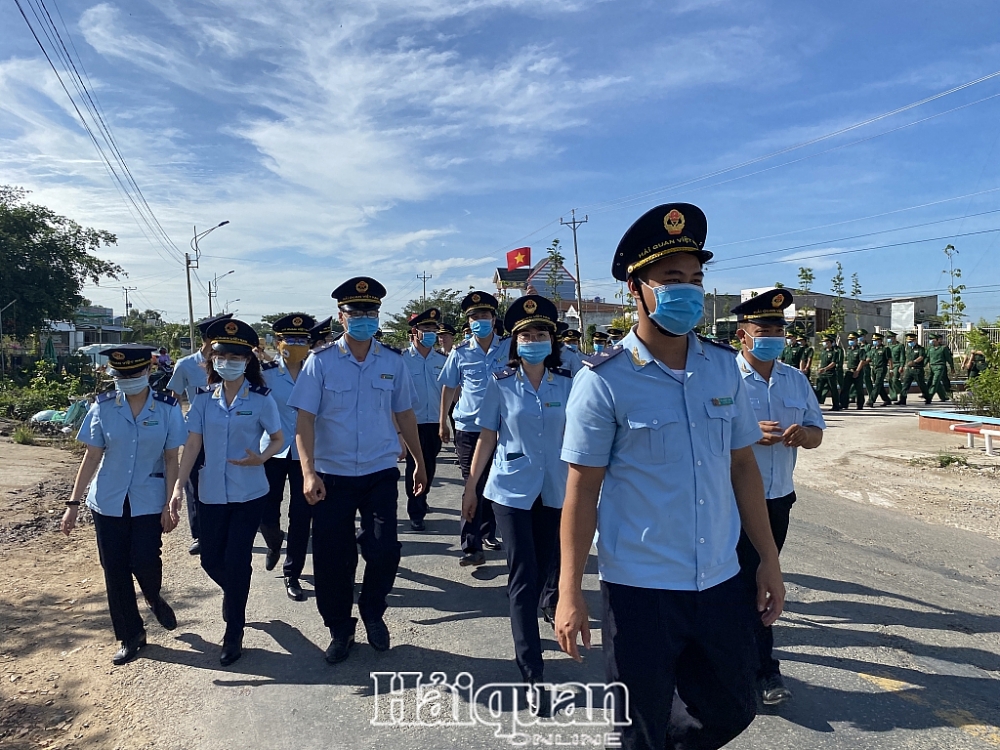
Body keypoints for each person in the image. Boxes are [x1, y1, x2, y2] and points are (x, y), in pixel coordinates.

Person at [557, 203, 783, 750]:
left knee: (732, 706)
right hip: (642, 588)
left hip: (718, 579)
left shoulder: (721, 366)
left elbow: (742, 465)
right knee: (639, 727)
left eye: (696, 280)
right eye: (672, 280)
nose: (688, 292)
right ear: (636, 288)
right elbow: (582, 489)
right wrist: (569, 588)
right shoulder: (604, 381)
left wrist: (769, 559)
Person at [289, 277, 427, 664]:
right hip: (331, 476)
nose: (364, 318)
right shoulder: (321, 363)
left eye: (370, 312)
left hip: (380, 471)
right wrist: (308, 471)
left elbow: (404, 413)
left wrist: (419, 460)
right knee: (334, 557)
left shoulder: (392, 362)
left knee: (384, 550)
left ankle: (372, 611)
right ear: (341, 316)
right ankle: (340, 628)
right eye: (356, 312)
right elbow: (305, 421)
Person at [462, 294, 572, 716]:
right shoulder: (501, 384)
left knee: (549, 567)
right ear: (515, 341)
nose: (533, 339)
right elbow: (487, 437)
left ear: (552, 339)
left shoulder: (569, 382)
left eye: (541, 333)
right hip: (510, 491)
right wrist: (471, 487)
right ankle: (532, 673)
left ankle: (544, 621)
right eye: (526, 334)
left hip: (556, 489)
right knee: (523, 575)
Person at [61, 345, 186, 665]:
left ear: (147, 372)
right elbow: (92, 456)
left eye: (134, 374)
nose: (128, 380)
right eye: (122, 376)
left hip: (148, 498)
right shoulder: (102, 407)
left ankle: (153, 596)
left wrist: (171, 501)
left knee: (145, 560)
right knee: (114, 569)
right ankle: (131, 635)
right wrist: (73, 503)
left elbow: (172, 458)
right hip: (107, 500)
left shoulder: (167, 408)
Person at [171, 318, 284, 666]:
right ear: (212, 360)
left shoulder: (263, 399)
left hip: (249, 492)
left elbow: (279, 437)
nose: (228, 362)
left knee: (236, 560)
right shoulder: (204, 400)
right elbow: (193, 444)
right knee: (210, 559)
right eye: (222, 355)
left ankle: (233, 631)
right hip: (211, 494)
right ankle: (236, 592)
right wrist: (178, 486)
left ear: (247, 361)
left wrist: (262, 456)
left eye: (236, 356)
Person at [731, 290, 825, 706]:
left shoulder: (795, 379)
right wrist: (751, 434)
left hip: (777, 499)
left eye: (777, 330)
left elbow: (816, 432)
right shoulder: (723, 378)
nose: (771, 336)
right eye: (762, 330)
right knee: (746, 582)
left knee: (757, 578)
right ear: (742, 336)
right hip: (728, 499)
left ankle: (744, 663)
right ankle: (763, 671)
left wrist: (804, 436)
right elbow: (705, 439)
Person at [438, 291, 508, 566]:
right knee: (472, 483)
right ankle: (471, 545)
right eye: (474, 317)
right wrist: (443, 419)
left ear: (493, 318)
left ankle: (488, 532)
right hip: (469, 427)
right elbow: (449, 386)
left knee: (497, 483)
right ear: (468, 322)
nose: (480, 321)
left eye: (484, 316)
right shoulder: (460, 352)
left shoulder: (510, 347)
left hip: (504, 428)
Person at [258, 313, 316, 601]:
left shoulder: (317, 371)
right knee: (265, 511)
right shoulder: (265, 374)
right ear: (277, 342)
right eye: (289, 339)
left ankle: (292, 573)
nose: (296, 344)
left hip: (306, 453)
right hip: (272, 451)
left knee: (301, 515)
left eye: (302, 340)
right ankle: (272, 540)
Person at [167, 313, 234, 555]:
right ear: (208, 339)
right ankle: (199, 535)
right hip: (196, 433)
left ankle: (227, 525)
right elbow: (174, 399)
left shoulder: (231, 362)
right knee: (193, 484)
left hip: (227, 431)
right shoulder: (185, 365)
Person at [402, 308, 448, 531]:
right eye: (425, 329)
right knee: (414, 464)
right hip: (412, 422)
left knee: (429, 464)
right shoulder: (402, 360)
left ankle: (423, 495)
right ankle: (416, 510)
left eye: (433, 329)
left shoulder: (442, 360)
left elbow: (450, 390)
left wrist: (445, 421)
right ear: (415, 331)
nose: (430, 333)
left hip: (435, 422)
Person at [897, 333, 930, 405]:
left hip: (917, 369)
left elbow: (921, 357)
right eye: (908, 342)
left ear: (915, 340)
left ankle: (928, 397)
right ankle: (902, 399)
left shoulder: (920, 349)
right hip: (909, 370)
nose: (909, 343)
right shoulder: (908, 349)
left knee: (921, 384)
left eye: (911, 341)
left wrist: (914, 362)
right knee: (905, 385)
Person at [865, 332, 894, 406]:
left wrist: (891, 369)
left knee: (877, 384)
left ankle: (871, 400)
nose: (874, 342)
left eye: (876, 340)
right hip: (874, 368)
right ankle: (886, 399)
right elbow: (868, 358)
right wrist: (862, 364)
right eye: (873, 340)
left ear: (880, 341)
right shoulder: (872, 349)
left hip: (881, 368)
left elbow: (889, 359)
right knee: (879, 385)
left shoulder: (885, 349)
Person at [840, 332, 866, 410]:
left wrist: (857, 371)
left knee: (859, 389)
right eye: (849, 339)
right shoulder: (848, 350)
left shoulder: (860, 350)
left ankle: (860, 404)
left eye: (852, 339)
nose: (850, 341)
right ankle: (844, 404)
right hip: (849, 371)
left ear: (856, 340)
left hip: (857, 371)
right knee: (845, 388)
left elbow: (862, 361)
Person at [927, 333, 954, 402]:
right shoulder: (930, 348)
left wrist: (952, 367)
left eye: (932, 339)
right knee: (936, 382)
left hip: (941, 367)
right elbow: (927, 357)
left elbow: (949, 358)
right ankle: (943, 396)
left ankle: (929, 396)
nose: (931, 341)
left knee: (938, 381)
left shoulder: (944, 347)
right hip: (932, 367)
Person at [885, 331, 904, 401]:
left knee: (895, 379)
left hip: (897, 364)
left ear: (894, 338)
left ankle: (902, 390)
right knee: (890, 380)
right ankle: (893, 396)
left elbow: (902, 356)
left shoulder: (900, 346)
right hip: (890, 365)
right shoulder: (888, 347)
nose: (889, 339)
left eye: (890, 337)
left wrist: (901, 366)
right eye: (888, 337)